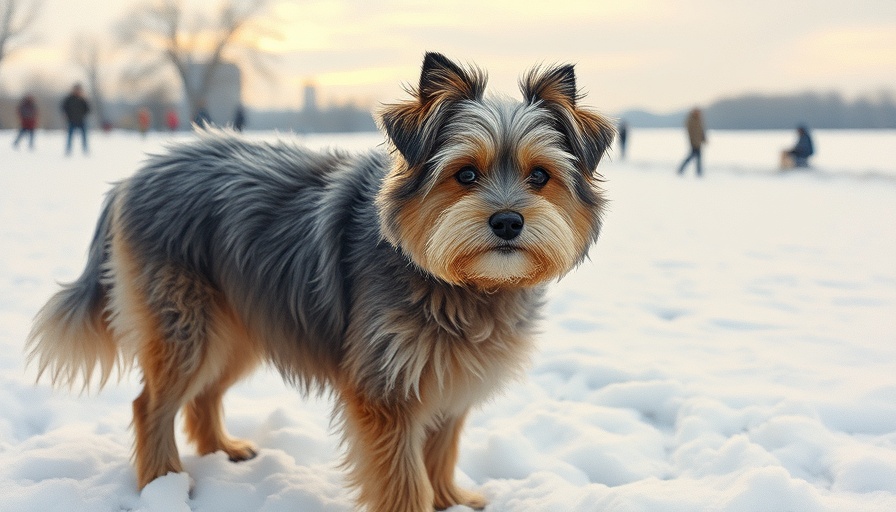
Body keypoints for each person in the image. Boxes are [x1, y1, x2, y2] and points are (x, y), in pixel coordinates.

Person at [61, 83, 91, 155]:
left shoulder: (82, 100)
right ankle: (68, 150)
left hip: (81, 121)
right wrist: (67, 116)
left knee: (84, 136)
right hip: (71, 121)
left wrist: (83, 115)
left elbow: (88, 109)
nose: (77, 91)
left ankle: (85, 150)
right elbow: (64, 108)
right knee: (70, 136)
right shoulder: (69, 99)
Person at [677, 107, 706, 177]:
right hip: (694, 142)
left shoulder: (699, 120)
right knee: (691, 157)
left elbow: (701, 131)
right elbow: (691, 132)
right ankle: (681, 169)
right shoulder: (691, 121)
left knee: (698, 157)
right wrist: (693, 141)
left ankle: (698, 172)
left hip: (698, 142)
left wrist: (703, 138)